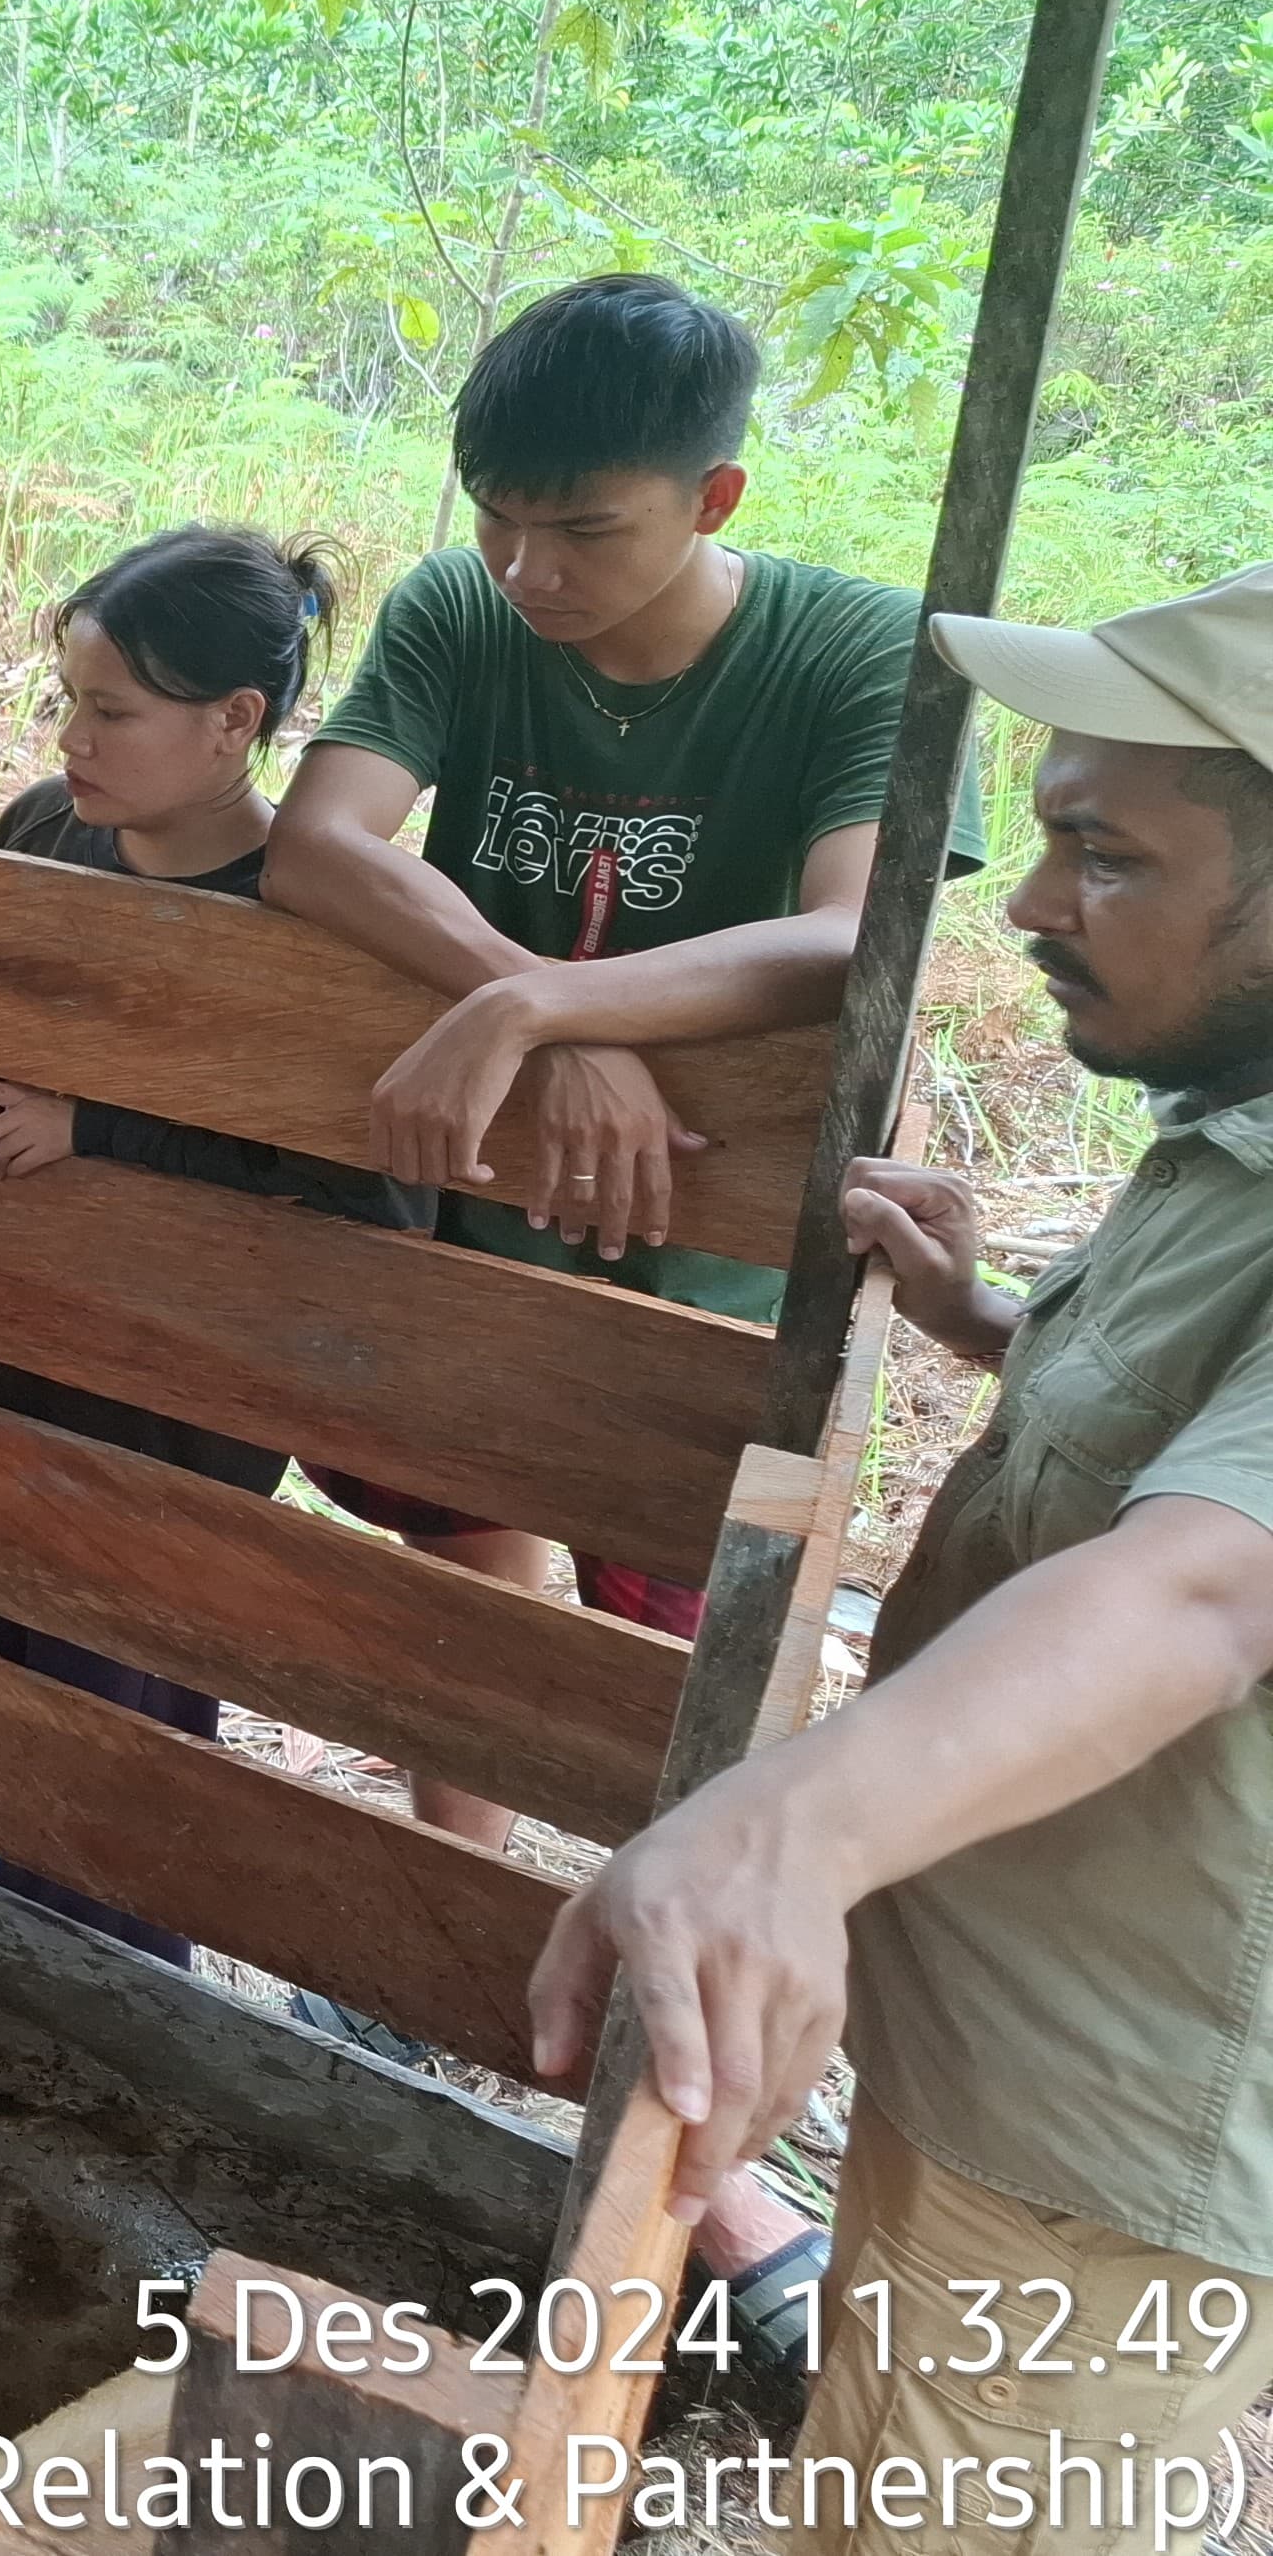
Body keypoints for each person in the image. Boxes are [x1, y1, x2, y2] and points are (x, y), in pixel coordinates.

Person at [261, 271, 975, 2336]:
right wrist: (543, 1014)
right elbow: (324, 841)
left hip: (710, 1283)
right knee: (467, 1571)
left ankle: (698, 2141)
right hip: (477, 1243)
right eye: (500, 515)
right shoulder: (465, 615)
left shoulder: (851, 650)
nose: (527, 569)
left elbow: (855, 938)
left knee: (683, 1682)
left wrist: (544, 999)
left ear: (714, 492)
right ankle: (466, 1959)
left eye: (586, 529)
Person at [530, 567, 1273, 2553]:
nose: (1029, 905)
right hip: (1010, 2023)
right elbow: (1198, 1445)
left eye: (1104, 855)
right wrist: (994, 1327)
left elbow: (1208, 1585)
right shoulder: (1234, 1117)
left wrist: (791, 1835)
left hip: (1101, 2139)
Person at [0, 528, 429, 1961]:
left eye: (112, 711)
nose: (73, 738)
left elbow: (367, 1195)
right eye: (66, 698)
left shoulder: (307, 913)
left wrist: (100, 1133)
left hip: (173, 1403)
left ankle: (108, 1971)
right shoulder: (37, 832)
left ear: (235, 723)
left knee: (113, 1697)